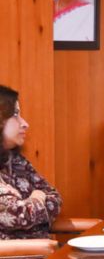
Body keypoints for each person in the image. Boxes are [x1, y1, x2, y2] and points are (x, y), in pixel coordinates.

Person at [0, 85, 62, 240]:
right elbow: (16, 216)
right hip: (18, 254)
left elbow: (55, 198)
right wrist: (36, 198)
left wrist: (31, 205)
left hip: (39, 249)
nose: (25, 123)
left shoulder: (15, 160)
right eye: (15, 114)